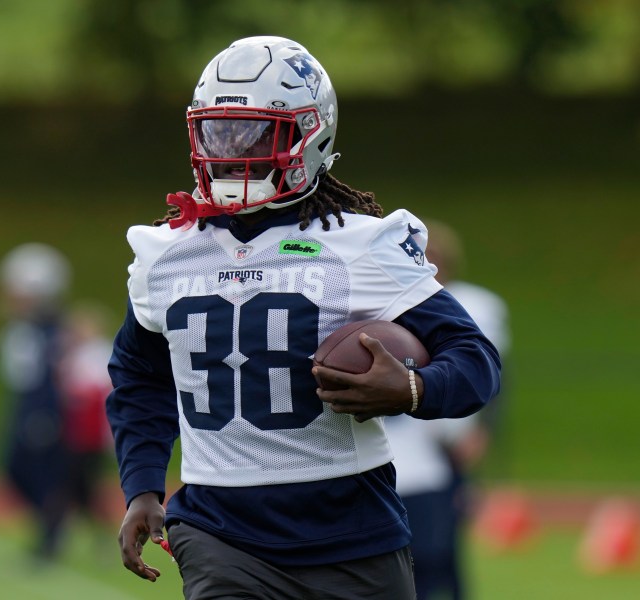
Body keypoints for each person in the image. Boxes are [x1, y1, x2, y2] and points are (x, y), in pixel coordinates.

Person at [106, 36, 501, 600]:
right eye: (219, 130)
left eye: (253, 132)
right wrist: (143, 486)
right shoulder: (164, 253)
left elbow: (475, 359)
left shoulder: (361, 245)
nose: (232, 150)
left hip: (352, 533)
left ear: (310, 133)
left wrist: (412, 388)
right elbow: (139, 376)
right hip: (220, 532)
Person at [386, 220, 511, 599]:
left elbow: (491, 373)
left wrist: (481, 429)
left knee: (442, 547)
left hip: (445, 436)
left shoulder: (473, 307)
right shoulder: (377, 302)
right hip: (398, 441)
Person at [0, 242, 73, 563]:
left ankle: (50, 537)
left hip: (42, 410)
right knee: (14, 470)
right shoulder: (27, 326)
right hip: (24, 403)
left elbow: (49, 375)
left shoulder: (50, 329)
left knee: (41, 474)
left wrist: (44, 413)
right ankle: (51, 527)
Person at [57, 302, 116, 531]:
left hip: (91, 432)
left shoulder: (98, 353)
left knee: (81, 483)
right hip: (76, 430)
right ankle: (98, 529)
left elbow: (98, 392)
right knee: (78, 484)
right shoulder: (76, 354)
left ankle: (101, 528)